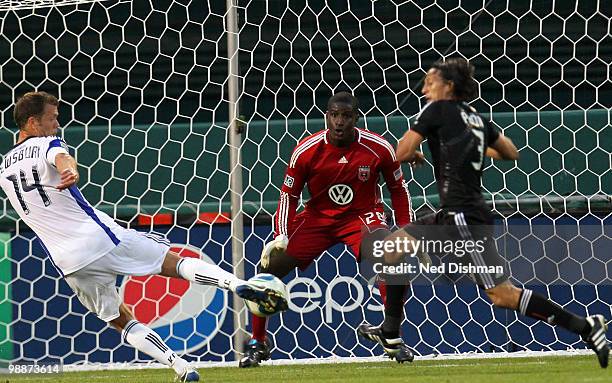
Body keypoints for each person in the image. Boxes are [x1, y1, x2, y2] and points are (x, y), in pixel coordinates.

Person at [0, 92, 288, 382]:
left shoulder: (4, 167)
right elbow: (61, 157)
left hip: (68, 262)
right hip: (98, 238)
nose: (58, 124)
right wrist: (71, 171)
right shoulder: (44, 143)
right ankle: (239, 284)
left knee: (120, 321)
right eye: (53, 118)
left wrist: (66, 169)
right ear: (33, 122)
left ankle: (181, 367)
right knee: (173, 263)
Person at [361, 58, 609, 368]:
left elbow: (402, 152)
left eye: (430, 82)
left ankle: (586, 327)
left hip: (463, 218)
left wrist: (420, 152)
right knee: (391, 249)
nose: (424, 88)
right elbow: (510, 152)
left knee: (502, 295)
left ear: (448, 86)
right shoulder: (476, 119)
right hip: (455, 214)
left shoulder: (436, 110)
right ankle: (390, 331)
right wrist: (467, 146)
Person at [239, 92, 414, 368]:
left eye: (346, 116)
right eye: (335, 115)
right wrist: (281, 235)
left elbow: (399, 191)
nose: (340, 121)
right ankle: (258, 343)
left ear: (356, 118)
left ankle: (393, 337)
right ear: (327, 116)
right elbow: (288, 196)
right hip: (317, 217)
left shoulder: (378, 147)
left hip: (362, 216)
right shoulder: (306, 151)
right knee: (268, 269)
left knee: (392, 260)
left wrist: (406, 230)